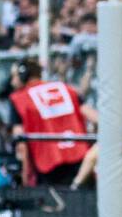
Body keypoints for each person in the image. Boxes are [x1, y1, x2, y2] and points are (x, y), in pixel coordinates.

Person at [8, 59, 97, 188]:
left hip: (48, 165)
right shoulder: (65, 89)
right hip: (80, 160)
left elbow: (21, 144)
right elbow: (95, 117)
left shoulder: (19, 99)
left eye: (14, 76)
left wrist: (26, 176)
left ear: (24, 75)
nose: (11, 81)